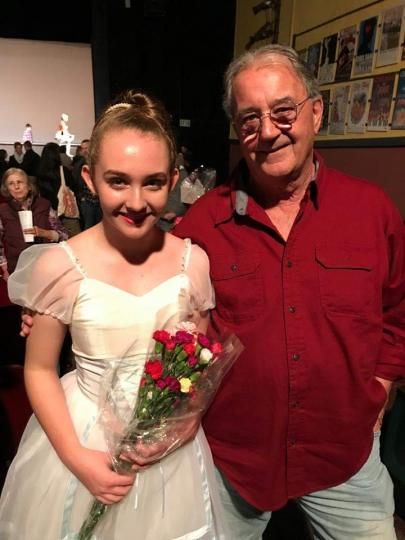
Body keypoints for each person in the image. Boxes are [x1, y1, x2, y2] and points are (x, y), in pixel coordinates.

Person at [174, 44, 405, 539]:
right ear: (237, 130)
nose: (268, 131)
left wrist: (382, 386)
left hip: (344, 454)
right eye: (250, 118)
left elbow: (398, 312)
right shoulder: (201, 226)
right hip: (235, 462)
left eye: (283, 111)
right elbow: (163, 309)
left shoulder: (372, 212)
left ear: (315, 113)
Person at [0, 91, 227, 539]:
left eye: (153, 183)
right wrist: (77, 458)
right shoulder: (60, 265)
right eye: (118, 181)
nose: (136, 202)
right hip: (83, 437)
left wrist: (184, 426)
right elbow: (40, 369)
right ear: (89, 178)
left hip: (166, 445)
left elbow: (195, 364)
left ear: (174, 179)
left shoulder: (192, 263)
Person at [0, 168, 67, 280]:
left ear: (29, 186)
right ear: (7, 189)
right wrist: (4, 267)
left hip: (45, 264)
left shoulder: (44, 205)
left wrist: (44, 233)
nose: (16, 187)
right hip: (17, 267)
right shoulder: (3, 210)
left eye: (20, 182)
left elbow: (64, 235)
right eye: (11, 184)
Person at [37, 142, 81, 237]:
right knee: (73, 240)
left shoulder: (40, 174)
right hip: (66, 214)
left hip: (49, 215)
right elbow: (75, 188)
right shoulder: (64, 171)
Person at [72, 138, 102, 230]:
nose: (85, 150)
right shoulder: (79, 164)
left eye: (87, 148)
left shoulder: (98, 162)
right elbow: (75, 180)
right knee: (88, 226)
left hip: (98, 200)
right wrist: (81, 197)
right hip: (87, 200)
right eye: (83, 148)